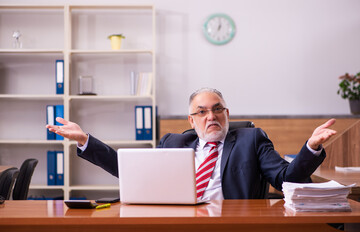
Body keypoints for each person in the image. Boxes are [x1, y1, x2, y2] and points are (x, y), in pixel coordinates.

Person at [46, 87, 337, 200]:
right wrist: (85, 140)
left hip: (230, 224)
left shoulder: (250, 139)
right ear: (191, 120)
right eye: (202, 112)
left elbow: (287, 178)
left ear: (227, 113)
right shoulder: (173, 142)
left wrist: (310, 146)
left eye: (218, 109)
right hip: (177, 222)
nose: (211, 116)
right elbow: (131, 170)